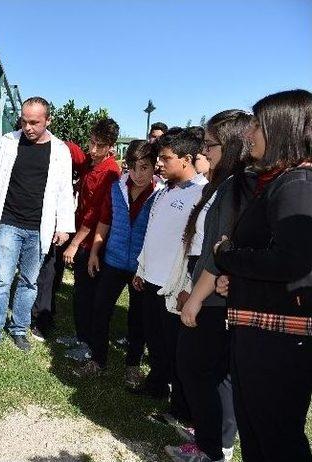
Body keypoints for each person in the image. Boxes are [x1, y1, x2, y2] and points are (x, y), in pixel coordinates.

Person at [213, 90, 312, 462]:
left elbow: (291, 261)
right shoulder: (278, 181)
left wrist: (229, 257)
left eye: (256, 124)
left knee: (276, 437)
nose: (248, 133)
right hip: (262, 334)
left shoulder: (297, 185)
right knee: (256, 432)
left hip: (279, 343)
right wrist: (236, 278)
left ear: (281, 128)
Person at [164, 110, 253, 462]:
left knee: (198, 369)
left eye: (210, 143)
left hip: (215, 296)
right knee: (204, 371)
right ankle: (211, 441)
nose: (205, 150)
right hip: (207, 288)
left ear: (230, 145)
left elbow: (220, 248)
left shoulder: (235, 186)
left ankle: (213, 450)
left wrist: (195, 298)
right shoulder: (223, 184)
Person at [0, 96, 75, 360]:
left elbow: (65, 191)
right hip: (8, 223)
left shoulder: (60, 150)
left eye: (35, 122)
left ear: (47, 121)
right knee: (1, 280)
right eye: (24, 121)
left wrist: (63, 225)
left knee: (29, 282)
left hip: (38, 228)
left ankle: (18, 328)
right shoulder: (7, 142)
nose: (28, 127)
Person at [131, 127, 206, 425]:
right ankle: (156, 386)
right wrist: (141, 268)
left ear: (186, 160)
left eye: (165, 158)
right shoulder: (164, 191)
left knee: (177, 351)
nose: (159, 164)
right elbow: (153, 235)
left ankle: (180, 409)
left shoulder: (201, 196)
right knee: (156, 341)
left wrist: (188, 286)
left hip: (174, 287)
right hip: (151, 279)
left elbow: (196, 247)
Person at [74, 140, 158, 385]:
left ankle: (132, 365)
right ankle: (98, 359)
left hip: (142, 268)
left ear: (154, 166)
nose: (138, 174)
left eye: (145, 167)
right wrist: (94, 252)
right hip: (113, 261)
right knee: (100, 310)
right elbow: (104, 221)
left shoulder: (161, 193)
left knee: (137, 318)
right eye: (133, 167)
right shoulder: (116, 188)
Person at [57, 118, 121, 361]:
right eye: (92, 142)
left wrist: (75, 243)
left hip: (94, 242)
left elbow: (96, 213)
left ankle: (88, 345)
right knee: (81, 291)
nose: (93, 150)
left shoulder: (110, 172)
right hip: (82, 237)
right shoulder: (92, 164)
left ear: (111, 146)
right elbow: (74, 151)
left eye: (100, 145)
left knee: (90, 294)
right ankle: (80, 335)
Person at [31, 141, 88, 341]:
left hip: (62, 227)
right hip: (49, 224)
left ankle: (46, 312)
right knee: (47, 273)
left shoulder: (67, 150)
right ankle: (40, 318)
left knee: (53, 272)